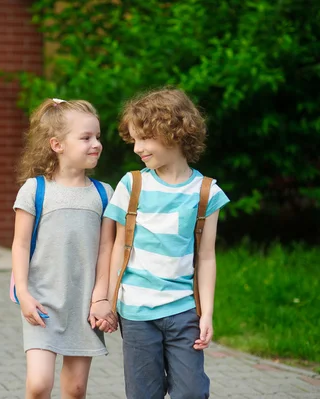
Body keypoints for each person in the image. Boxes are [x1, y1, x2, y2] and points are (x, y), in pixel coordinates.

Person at [102, 88, 230, 399]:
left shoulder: (206, 193)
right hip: (136, 312)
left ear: (174, 131)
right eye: (133, 140)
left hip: (184, 311)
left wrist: (207, 313)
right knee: (144, 394)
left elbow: (207, 257)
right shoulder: (133, 185)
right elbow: (118, 246)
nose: (137, 148)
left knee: (191, 392)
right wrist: (108, 299)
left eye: (144, 139)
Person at [11, 98, 118, 399]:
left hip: (83, 305)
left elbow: (106, 250)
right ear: (57, 144)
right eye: (85, 138)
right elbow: (19, 245)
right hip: (42, 302)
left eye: (97, 136)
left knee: (75, 389)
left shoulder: (103, 194)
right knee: (39, 384)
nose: (95, 144)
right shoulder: (35, 189)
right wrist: (23, 294)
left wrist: (102, 297)